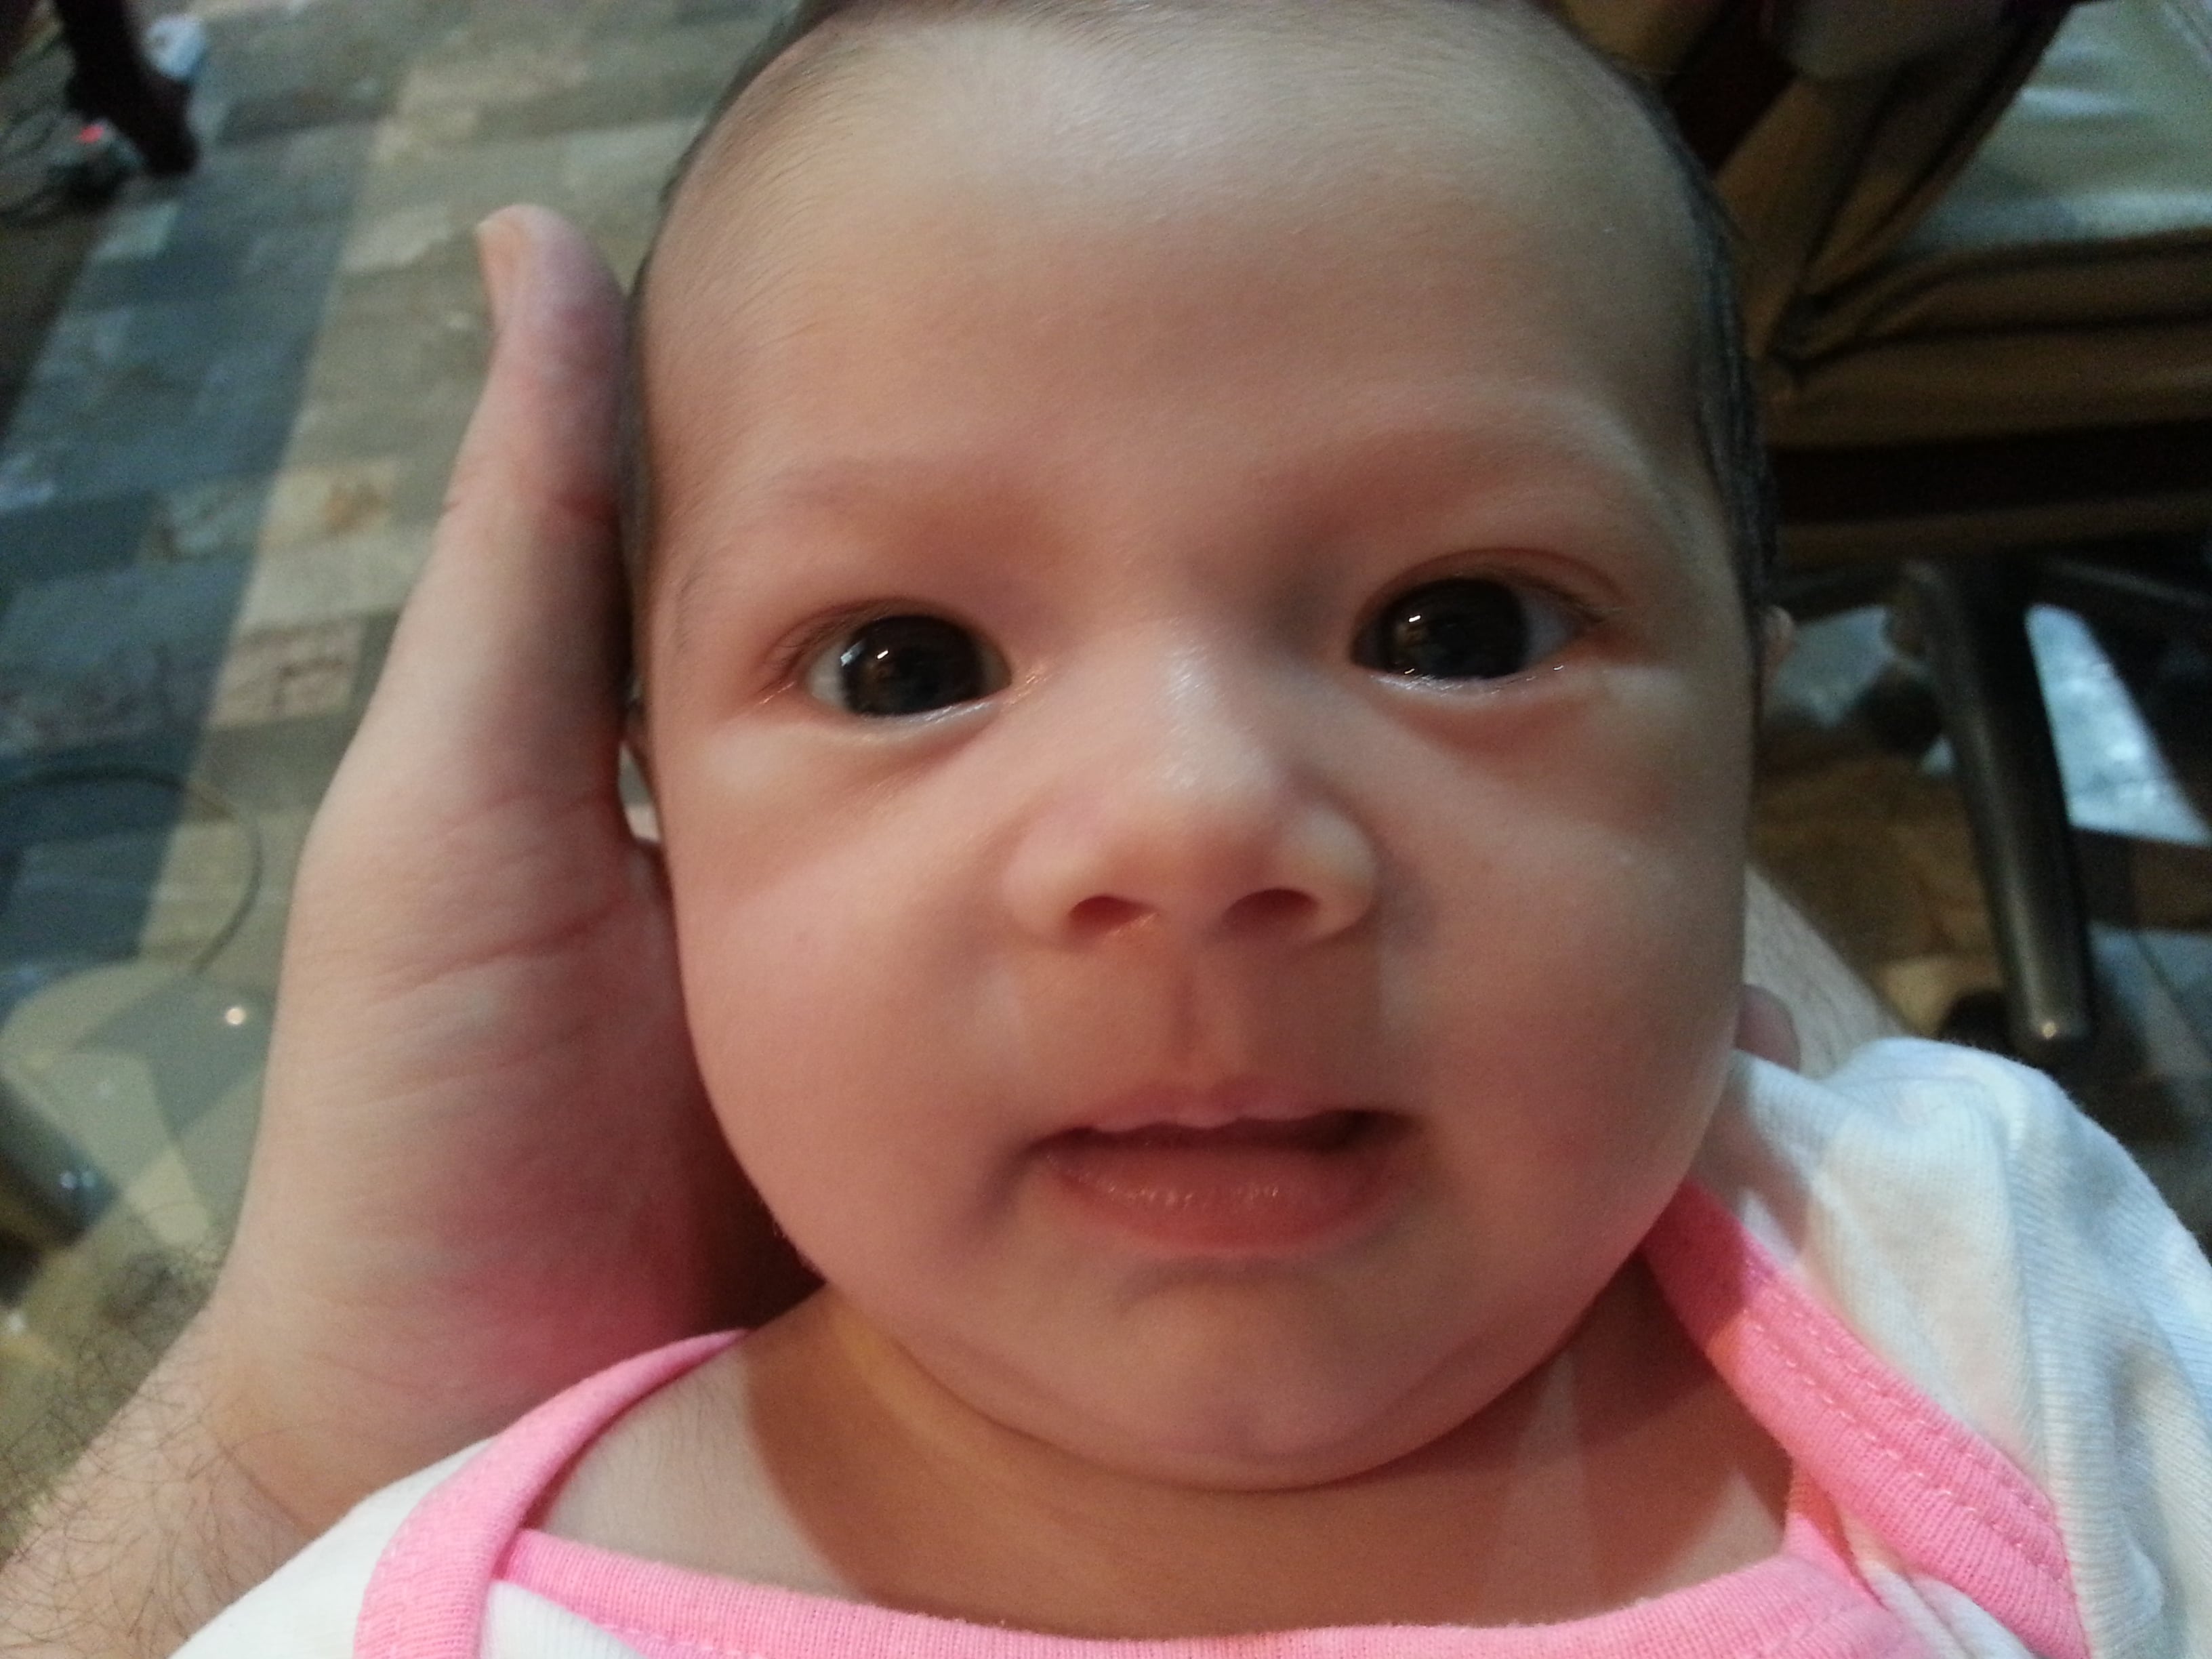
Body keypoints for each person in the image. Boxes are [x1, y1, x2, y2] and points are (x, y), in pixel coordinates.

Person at [17, 1, 2212, 1654]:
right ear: (641, 792)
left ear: (1743, 715)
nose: (1188, 824)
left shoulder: (1978, 1290)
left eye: (1455, 630)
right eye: (906, 665)